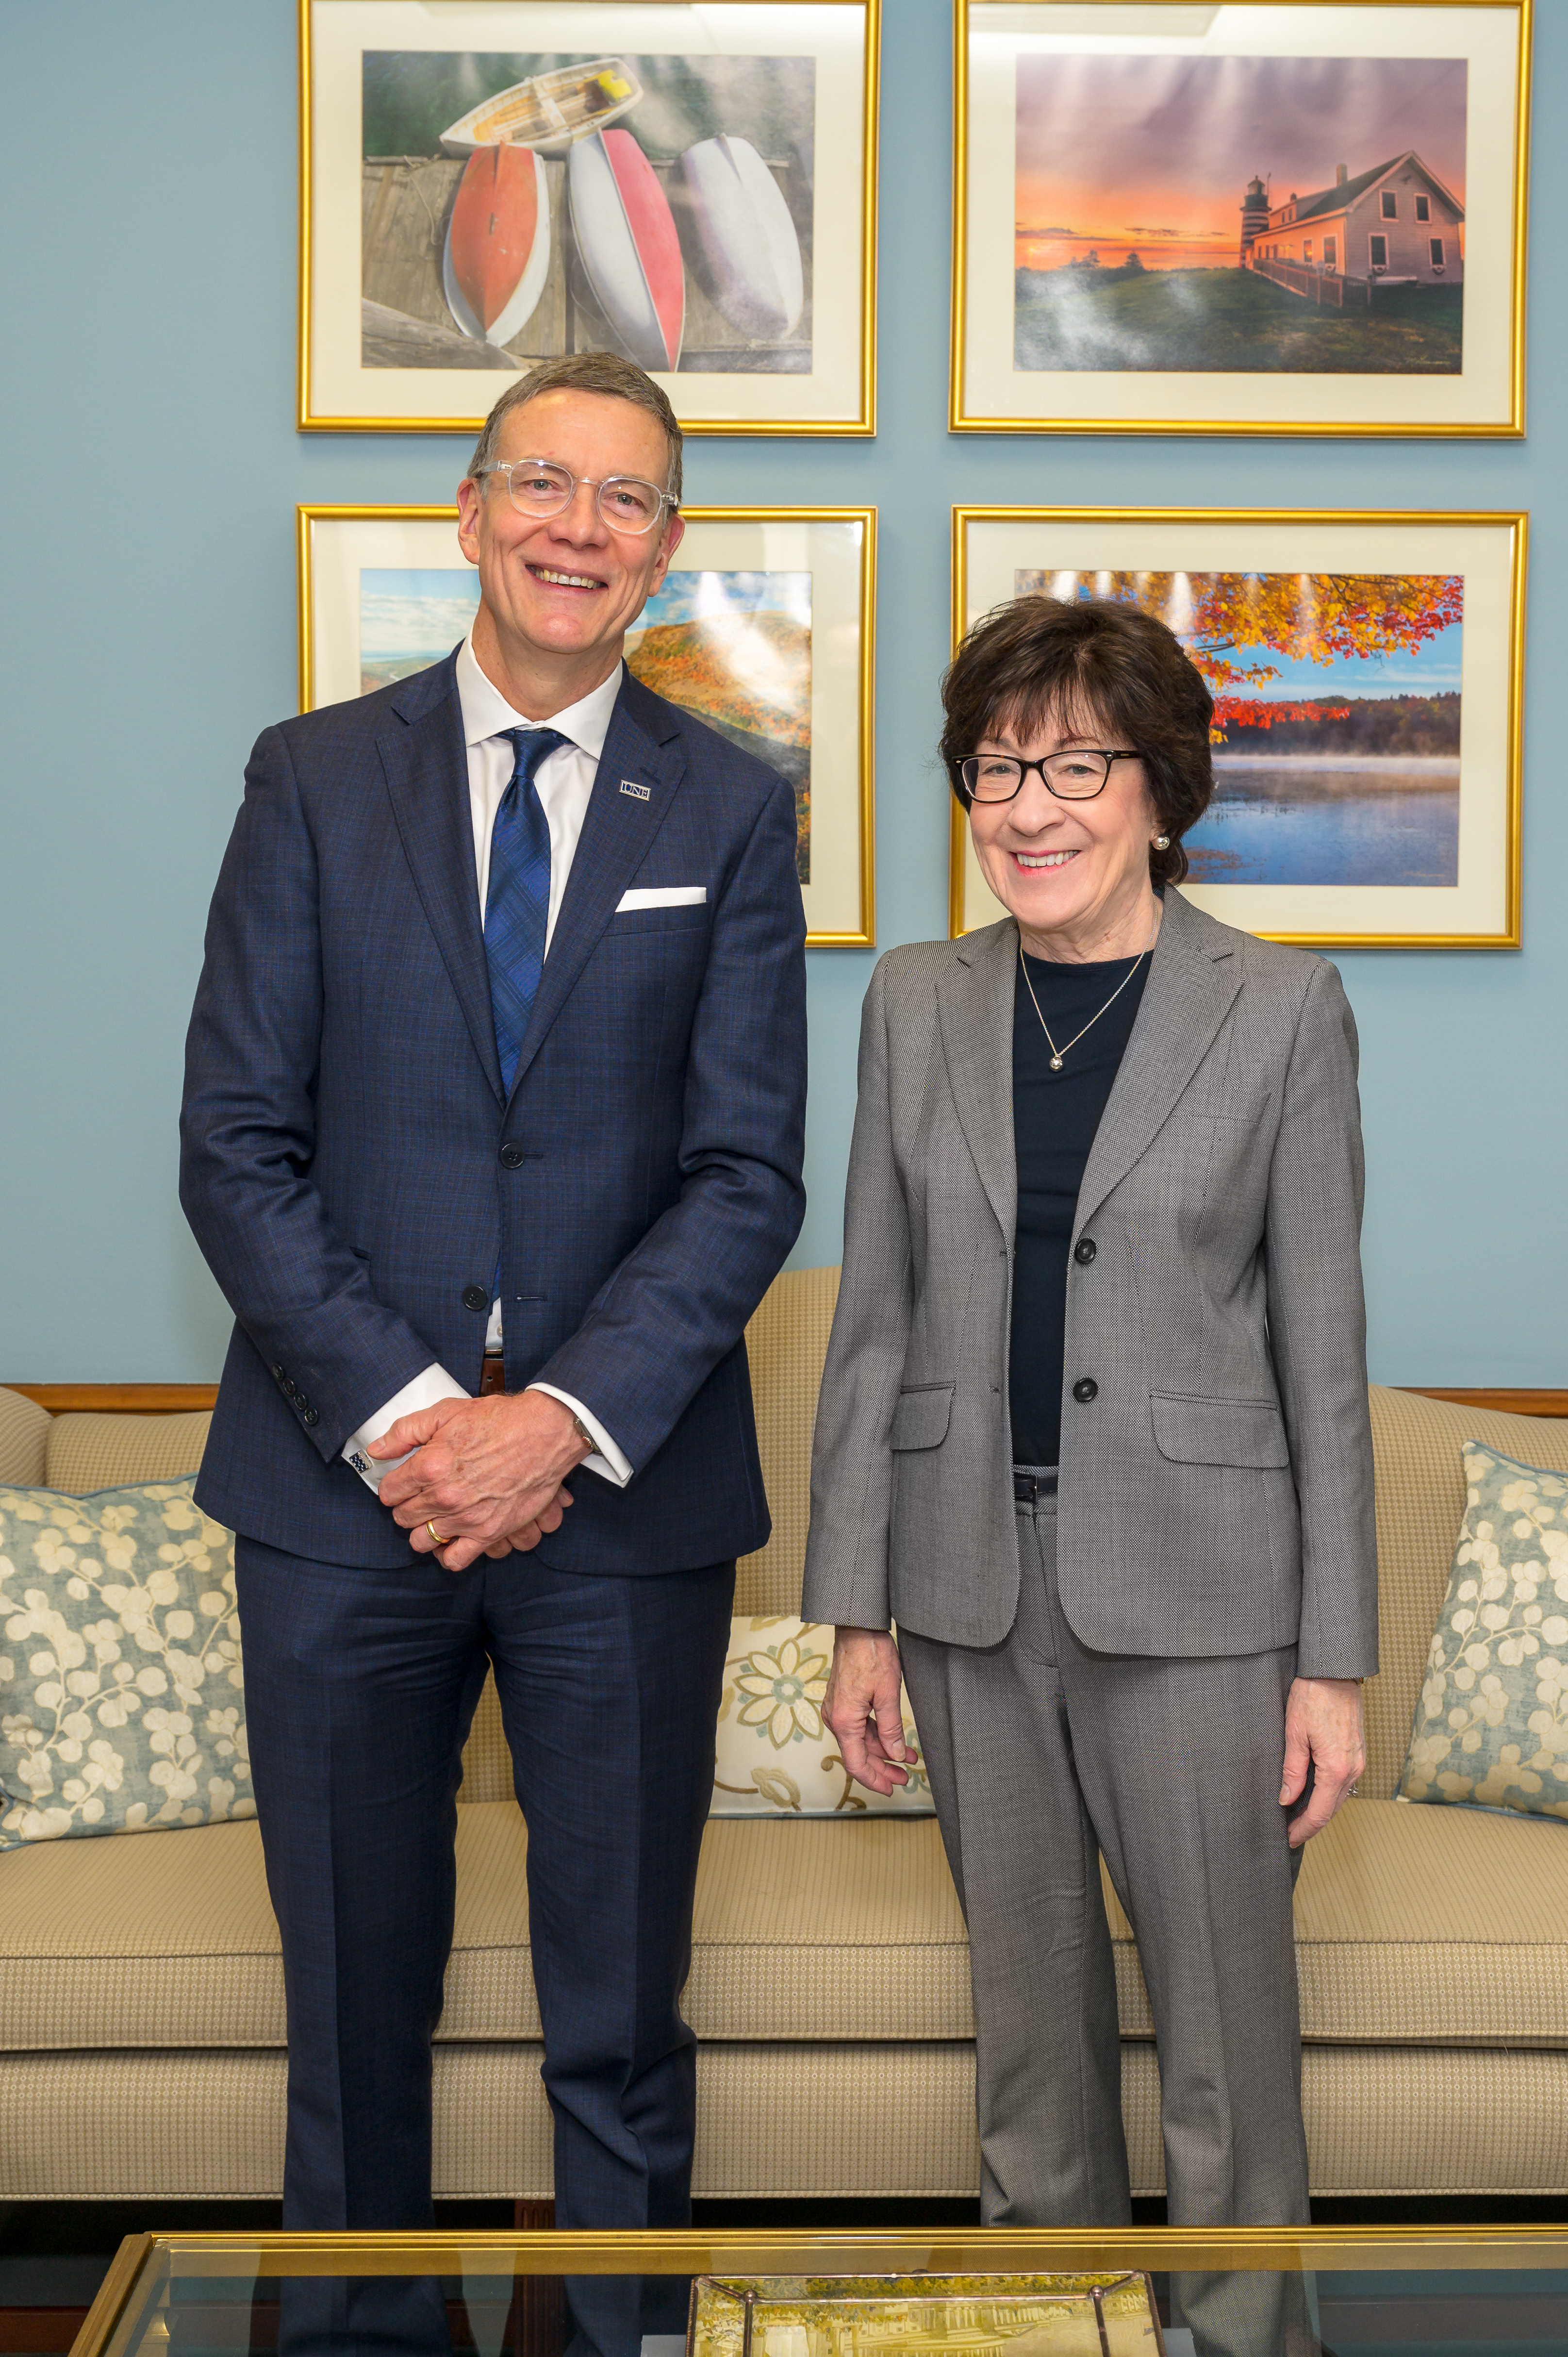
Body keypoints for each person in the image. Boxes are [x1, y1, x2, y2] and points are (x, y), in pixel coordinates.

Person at [181, 351, 807, 2355]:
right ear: (467, 511)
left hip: (623, 1507)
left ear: (668, 550)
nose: (578, 527)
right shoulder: (310, 777)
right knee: (355, 2011)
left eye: (626, 499)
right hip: (339, 1495)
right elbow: (236, 1146)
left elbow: (744, 1171)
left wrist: (554, 1421)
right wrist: (418, 1418)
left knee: (619, 2018)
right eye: (544, 481)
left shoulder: (730, 807)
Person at [803, 596, 1375, 2351]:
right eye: (995, 770)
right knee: (1030, 2043)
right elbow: (877, 1318)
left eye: (1071, 765)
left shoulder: (1278, 1009)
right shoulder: (917, 1002)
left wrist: (1331, 1662)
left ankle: (1243, 2340)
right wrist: (856, 1616)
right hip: (969, 1581)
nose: (1027, 807)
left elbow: (1325, 1353)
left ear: (1156, 786)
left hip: (1203, 1594)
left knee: (1223, 2049)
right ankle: (1046, 2331)